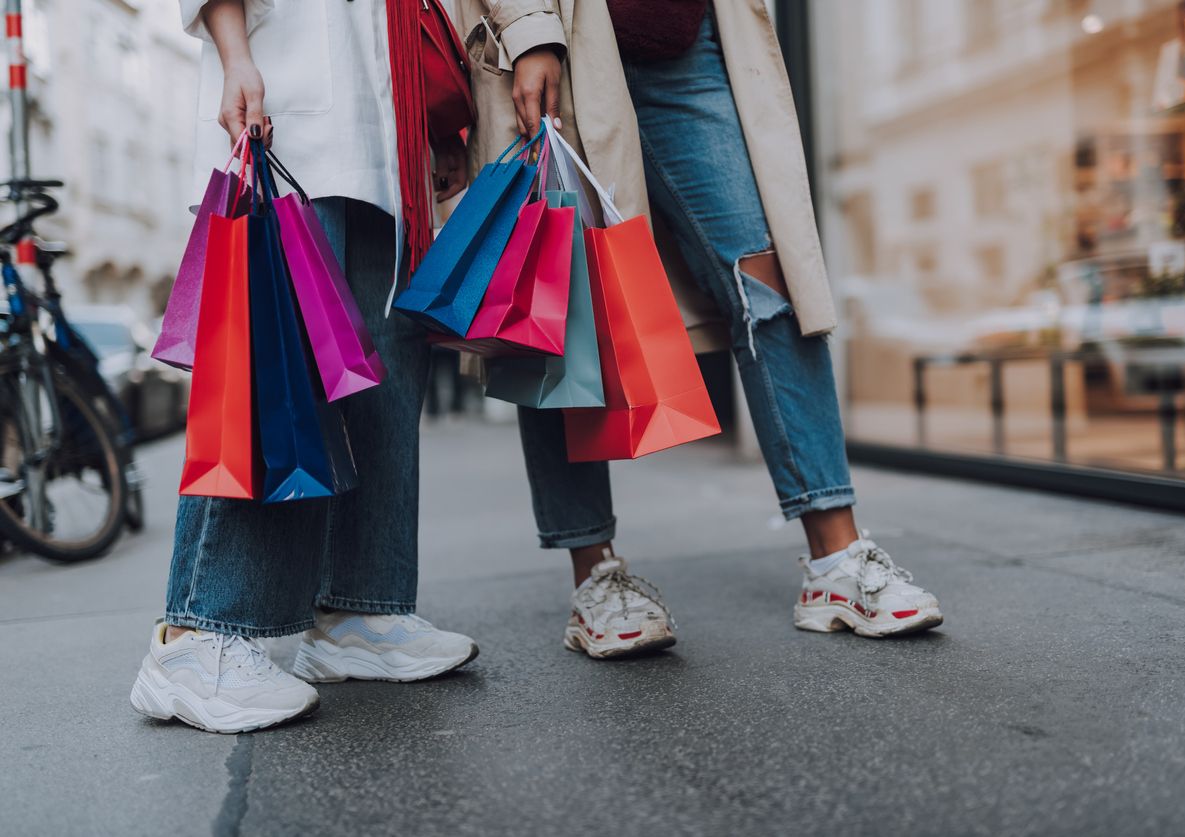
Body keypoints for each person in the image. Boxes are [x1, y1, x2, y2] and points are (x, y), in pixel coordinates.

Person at [454, 0, 943, 657]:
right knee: (555, 297)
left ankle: (837, 557)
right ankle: (594, 570)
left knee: (767, 279)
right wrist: (529, 30)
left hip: (690, 45)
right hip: (567, 37)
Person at [130, 0, 477, 734]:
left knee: (384, 370)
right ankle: (199, 636)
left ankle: (361, 607)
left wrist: (437, 117)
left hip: (384, 130)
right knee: (273, 368)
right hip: (285, 97)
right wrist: (233, 55)